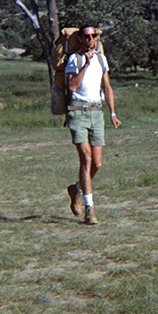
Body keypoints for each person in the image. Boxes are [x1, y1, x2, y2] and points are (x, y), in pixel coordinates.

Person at [64, 25, 121, 224]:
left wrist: (112, 112)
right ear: (80, 39)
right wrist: (86, 65)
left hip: (97, 112)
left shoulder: (101, 59)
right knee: (86, 160)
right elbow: (72, 86)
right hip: (77, 112)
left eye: (93, 36)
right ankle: (90, 209)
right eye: (86, 36)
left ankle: (77, 189)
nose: (90, 39)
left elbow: (107, 86)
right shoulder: (74, 59)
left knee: (97, 163)